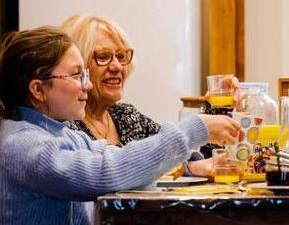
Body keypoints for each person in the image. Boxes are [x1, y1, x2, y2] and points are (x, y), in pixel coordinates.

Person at [0, 26, 239, 225]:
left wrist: (188, 155)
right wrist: (193, 130)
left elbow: (114, 157)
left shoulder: (59, 134)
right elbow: (108, 172)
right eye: (76, 75)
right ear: (38, 89)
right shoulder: (28, 146)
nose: (85, 84)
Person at [60, 14, 217, 176]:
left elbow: (174, 151)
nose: (117, 67)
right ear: (77, 67)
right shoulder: (65, 125)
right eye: (103, 57)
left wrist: (219, 107)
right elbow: (108, 172)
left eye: (121, 56)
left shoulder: (126, 116)